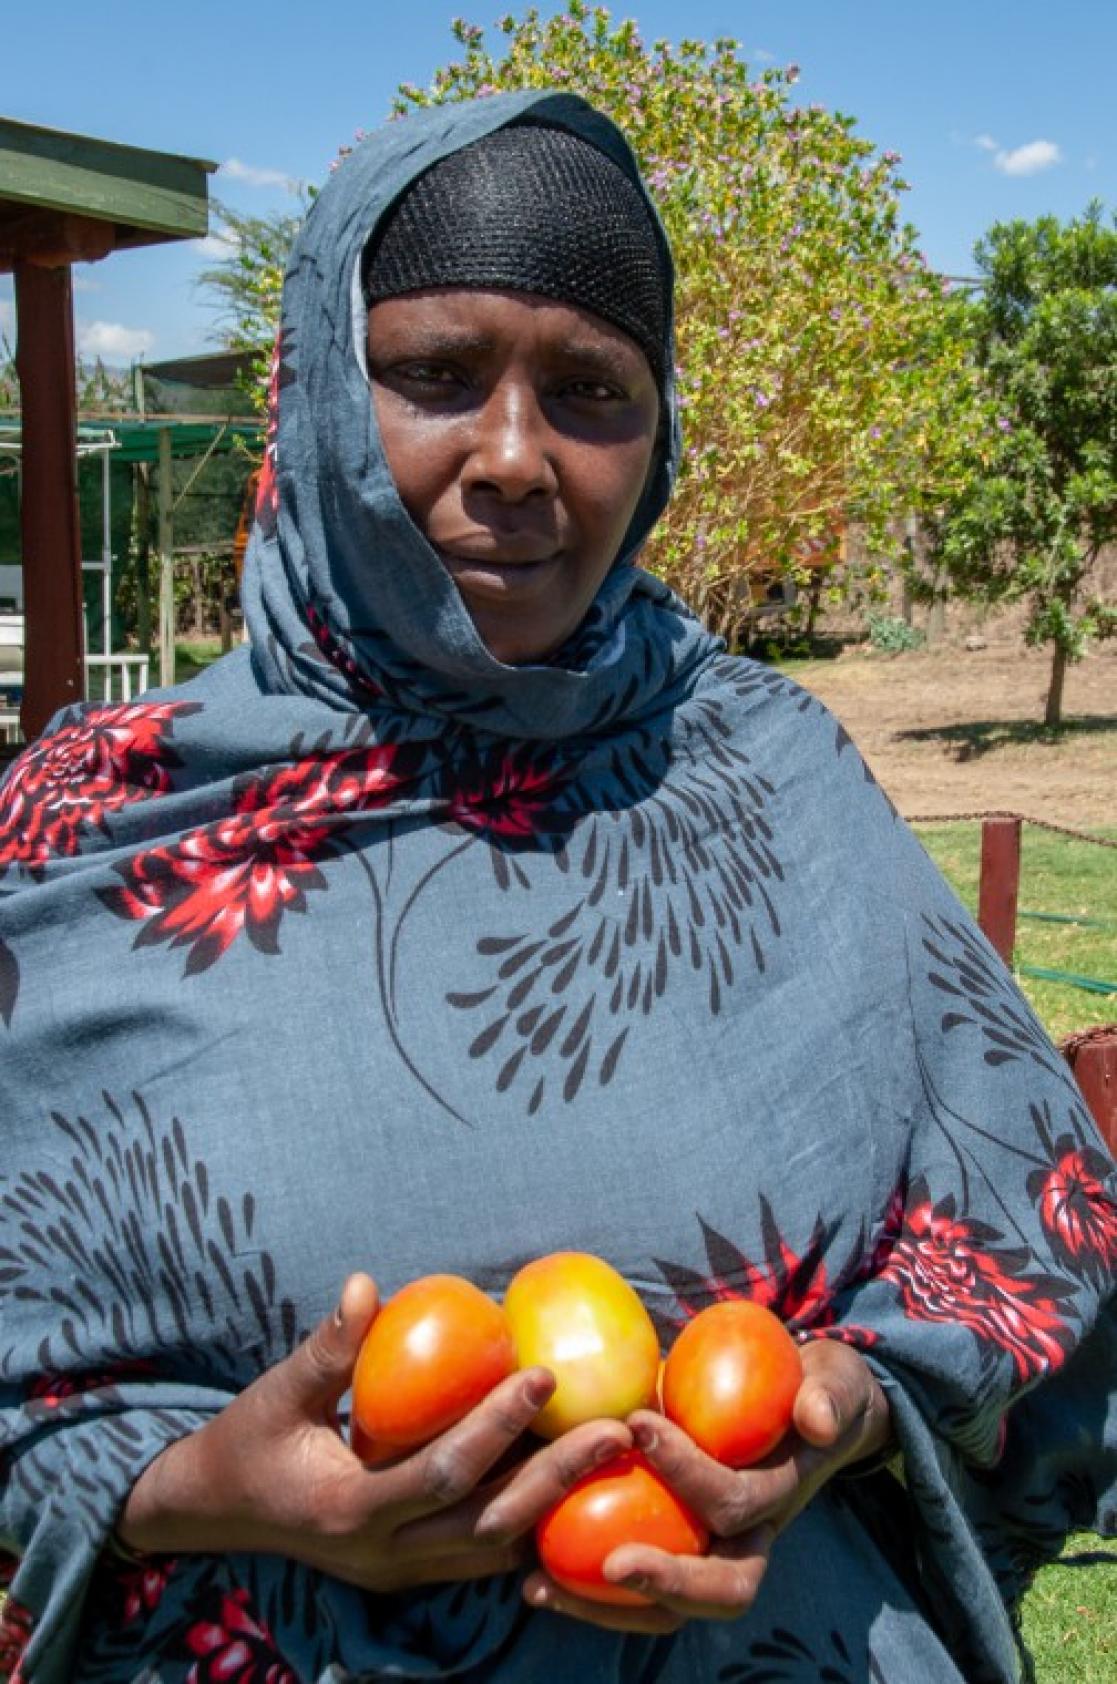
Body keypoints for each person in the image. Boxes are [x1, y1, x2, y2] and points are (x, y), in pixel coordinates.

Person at [0, 89, 1114, 1684]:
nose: (515, 458)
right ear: (317, 391)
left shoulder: (764, 773)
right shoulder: (86, 827)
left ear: (658, 433)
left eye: (588, 390)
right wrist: (183, 1491)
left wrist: (839, 1407)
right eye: (435, 375)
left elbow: (1027, 1211)